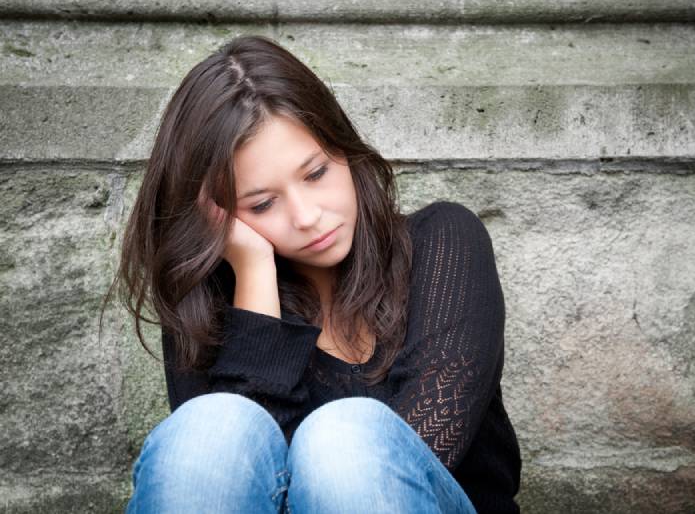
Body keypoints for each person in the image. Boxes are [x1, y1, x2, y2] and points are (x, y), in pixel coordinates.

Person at [105, 34, 521, 513]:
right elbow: (244, 483)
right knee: (212, 430)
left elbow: (413, 462)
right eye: (262, 203)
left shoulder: (444, 242)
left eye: (316, 174)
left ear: (342, 148)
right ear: (219, 217)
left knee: (344, 440)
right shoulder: (208, 306)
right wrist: (253, 271)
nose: (306, 217)